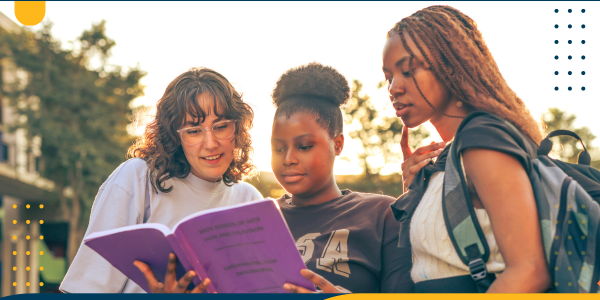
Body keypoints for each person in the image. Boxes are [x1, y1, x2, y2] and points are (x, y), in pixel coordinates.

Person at [134, 62, 414, 293]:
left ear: (338, 144)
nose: (289, 158)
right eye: (278, 148)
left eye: (304, 146)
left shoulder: (382, 214)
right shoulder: (250, 219)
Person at [383, 5, 551, 293]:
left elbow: (531, 271)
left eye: (408, 70)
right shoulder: (449, 159)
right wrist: (418, 192)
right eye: (388, 77)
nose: (394, 88)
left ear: (449, 65)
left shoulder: (481, 140)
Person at [59, 67, 263, 293]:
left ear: (237, 128)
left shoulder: (249, 199)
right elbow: (87, 289)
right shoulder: (138, 178)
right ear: (175, 136)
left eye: (221, 127)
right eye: (194, 131)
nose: (211, 143)